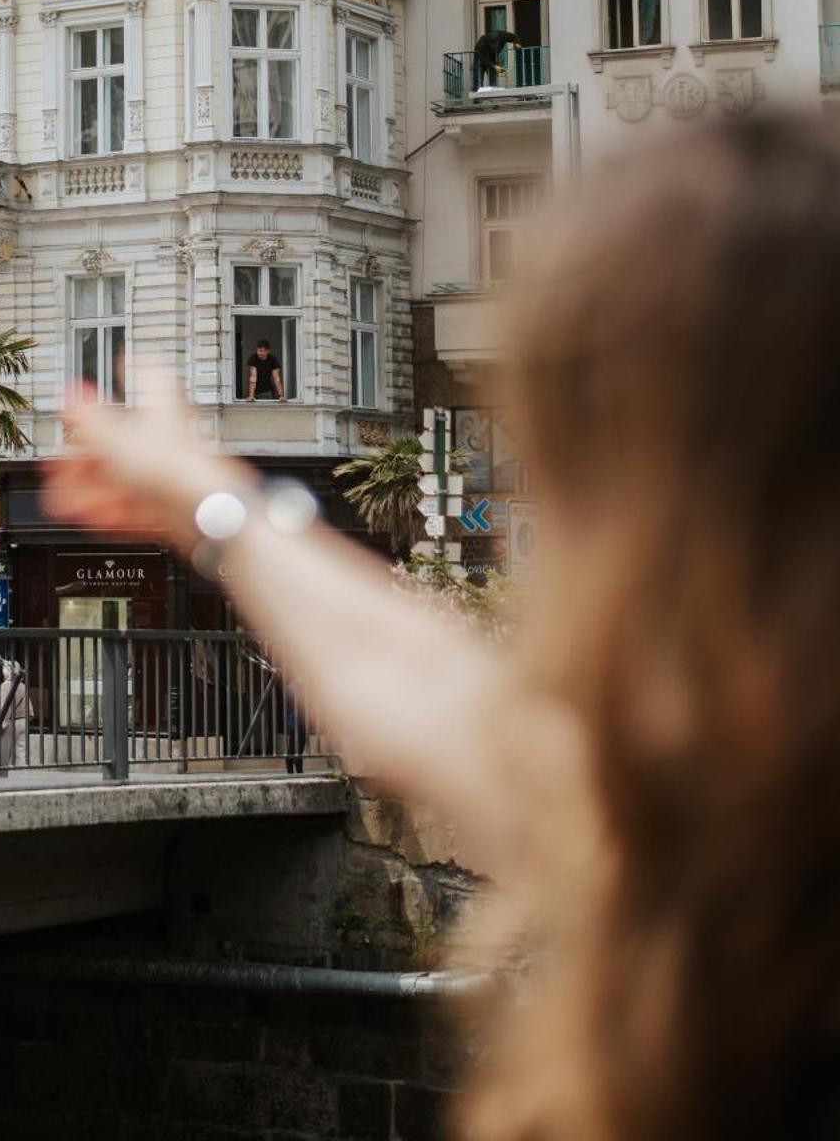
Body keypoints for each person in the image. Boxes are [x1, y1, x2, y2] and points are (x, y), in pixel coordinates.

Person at [45, 113, 840, 1140]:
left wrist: (205, 497)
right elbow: (421, 677)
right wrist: (202, 492)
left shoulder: (677, 846)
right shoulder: (704, 808)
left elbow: (422, 686)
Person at [472, 24, 519, 90]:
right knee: (478, 78)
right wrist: (494, 66)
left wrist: (516, 42)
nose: (496, 47)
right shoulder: (481, 44)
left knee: (493, 75)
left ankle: (493, 89)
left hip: (491, 57)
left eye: (497, 45)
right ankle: (476, 97)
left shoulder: (501, 35)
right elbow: (484, 58)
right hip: (480, 59)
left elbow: (513, 36)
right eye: (494, 46)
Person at [245, 338, 286, 404]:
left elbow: (276, 378)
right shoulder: (253, 358)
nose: (259, 353)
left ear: (267, 351)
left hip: (267, 391)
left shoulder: (272, 360)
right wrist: (251, 395)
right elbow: (253, 377)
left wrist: (281, 396)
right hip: (254, 391)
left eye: (261, 351)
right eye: (258, 351)